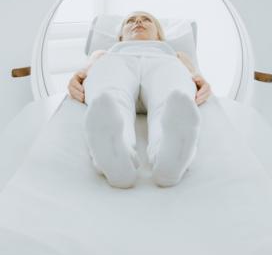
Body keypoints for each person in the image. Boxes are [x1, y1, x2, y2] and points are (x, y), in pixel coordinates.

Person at [68, 11, 212, 189]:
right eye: (130, 21)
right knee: (110, 97)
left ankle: (169, 159)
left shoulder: (177, 54)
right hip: (117, 60)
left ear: (159, 34)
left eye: (146, 20)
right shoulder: (103, 53)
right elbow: (83, 72)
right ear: (121, 36)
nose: (138, 22)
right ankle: (118, 158)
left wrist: (202, 83)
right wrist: (77, 78)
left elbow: (195, 75)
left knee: (172, 97)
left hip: (163, 62)